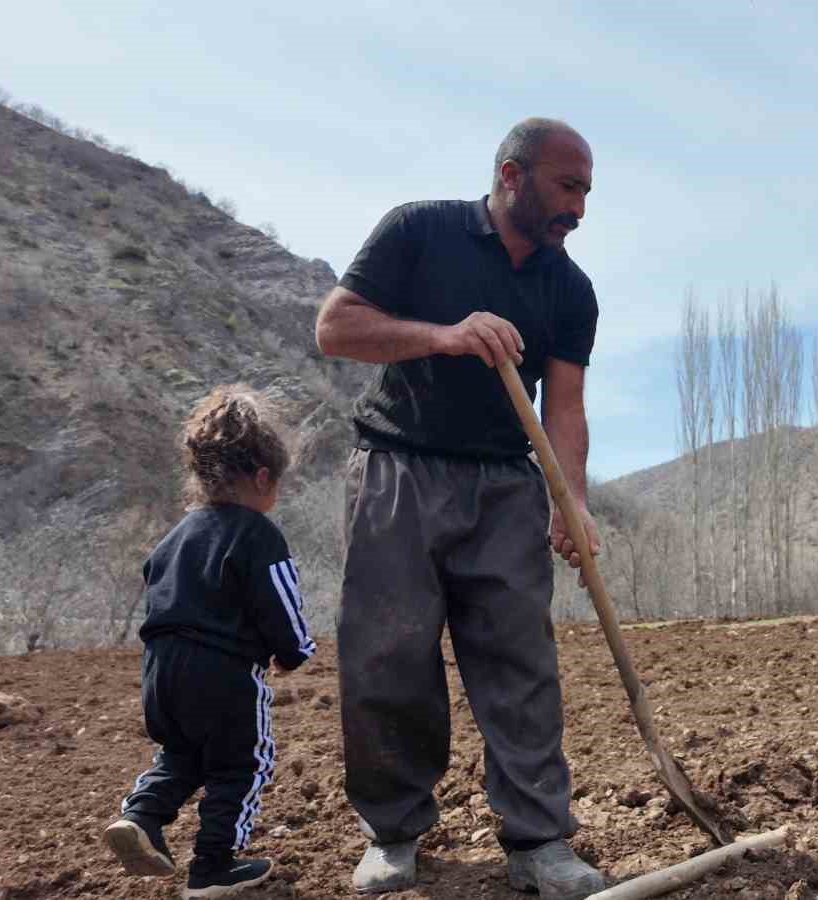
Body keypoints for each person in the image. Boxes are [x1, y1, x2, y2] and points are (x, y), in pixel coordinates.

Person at [313, 117, 606, 899]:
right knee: (388, 657)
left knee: (521, 663)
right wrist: (443, 336)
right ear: (512, 175)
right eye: (567, 187)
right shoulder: (419, 230)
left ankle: (539, 840)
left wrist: (571, 500)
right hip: (397, 468)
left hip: (506, 484)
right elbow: (336, 328)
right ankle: (393, 832)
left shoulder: (570, 289)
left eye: (586, 192)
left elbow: (565, 407)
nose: (578, 209)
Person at [104, 385, 315, 898]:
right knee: (243, 762)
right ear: (263, 477)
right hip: (223, 674)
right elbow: (279, 600)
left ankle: (142, 817)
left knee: (181, 753)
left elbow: (157, 588)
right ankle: (214, 866)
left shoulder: (175, 536)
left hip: (160, 671)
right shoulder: (258, 533)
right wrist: (294, 651)